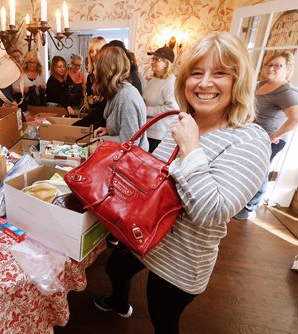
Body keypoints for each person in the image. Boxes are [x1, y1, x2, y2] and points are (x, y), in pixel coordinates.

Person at [93, 32, 271, 334]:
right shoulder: (185, 122)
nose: (204, 83)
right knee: (115, 267)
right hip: (145, 234)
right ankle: (119, 303)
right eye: (196, 73)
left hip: (182, 257)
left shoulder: (251, 139)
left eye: (219, 74)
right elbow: (157, 178)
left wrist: (191, 148)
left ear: (238, 80)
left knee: (162, 317)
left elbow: (211, 213)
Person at [234, 51, 298, 220]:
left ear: (287, 69)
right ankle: (239, 201)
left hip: (270, 140)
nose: (271, 68)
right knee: (245, 169)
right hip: (251, 136)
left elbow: (295, 119)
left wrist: (274, 136)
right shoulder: (259, 85)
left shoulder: (286, 92)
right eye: (269, 64)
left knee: (259, 171)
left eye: (277, 65)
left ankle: (250, 208)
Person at [92, 46, 147, 147]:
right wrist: (108, 130)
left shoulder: (126, 97)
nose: (94, 72)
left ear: (105, 70)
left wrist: (101, 140)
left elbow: (130, 142)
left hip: (130, 162)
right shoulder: (117, 93)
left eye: (96, 68)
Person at [143, 46, 179, 152]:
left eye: (156, 59)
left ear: (166, 63)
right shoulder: (154, 79)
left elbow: (172, 109)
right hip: (147, 130)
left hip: (158, 134)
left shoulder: (170, 82)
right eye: (152, 59)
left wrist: (146, 110)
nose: (153, 62)